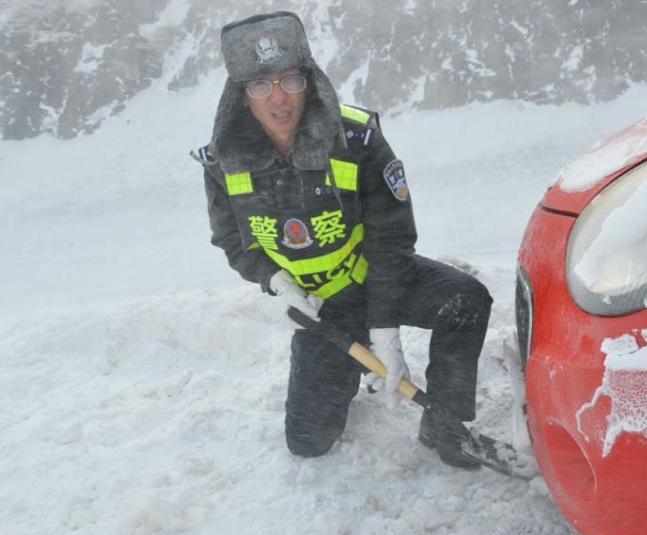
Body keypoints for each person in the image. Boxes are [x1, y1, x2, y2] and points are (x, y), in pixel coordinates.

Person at [193, 11, 492, 469]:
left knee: (465, 301)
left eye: (289, 80)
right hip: (323, 309)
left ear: (308, 81)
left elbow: (392, 239)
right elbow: (233, 240)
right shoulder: (223, 162)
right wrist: (276, 281)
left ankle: (444, 425)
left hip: (379, 279)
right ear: (240, 96)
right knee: (308, 442)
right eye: (260, 86)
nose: (278, 98)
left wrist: (385, 330)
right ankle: (347, 366)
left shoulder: (356, 139)